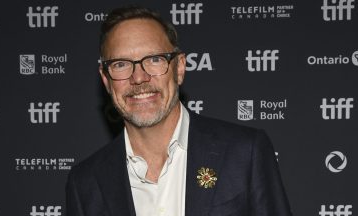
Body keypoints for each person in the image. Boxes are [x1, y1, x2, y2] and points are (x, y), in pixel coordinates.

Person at [66, 6, 292, 216]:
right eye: (121, 64)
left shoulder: (244, 153)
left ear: (180, 68)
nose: (139, 77)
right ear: (106, 80)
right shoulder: (85, 183)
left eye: (155, 59)